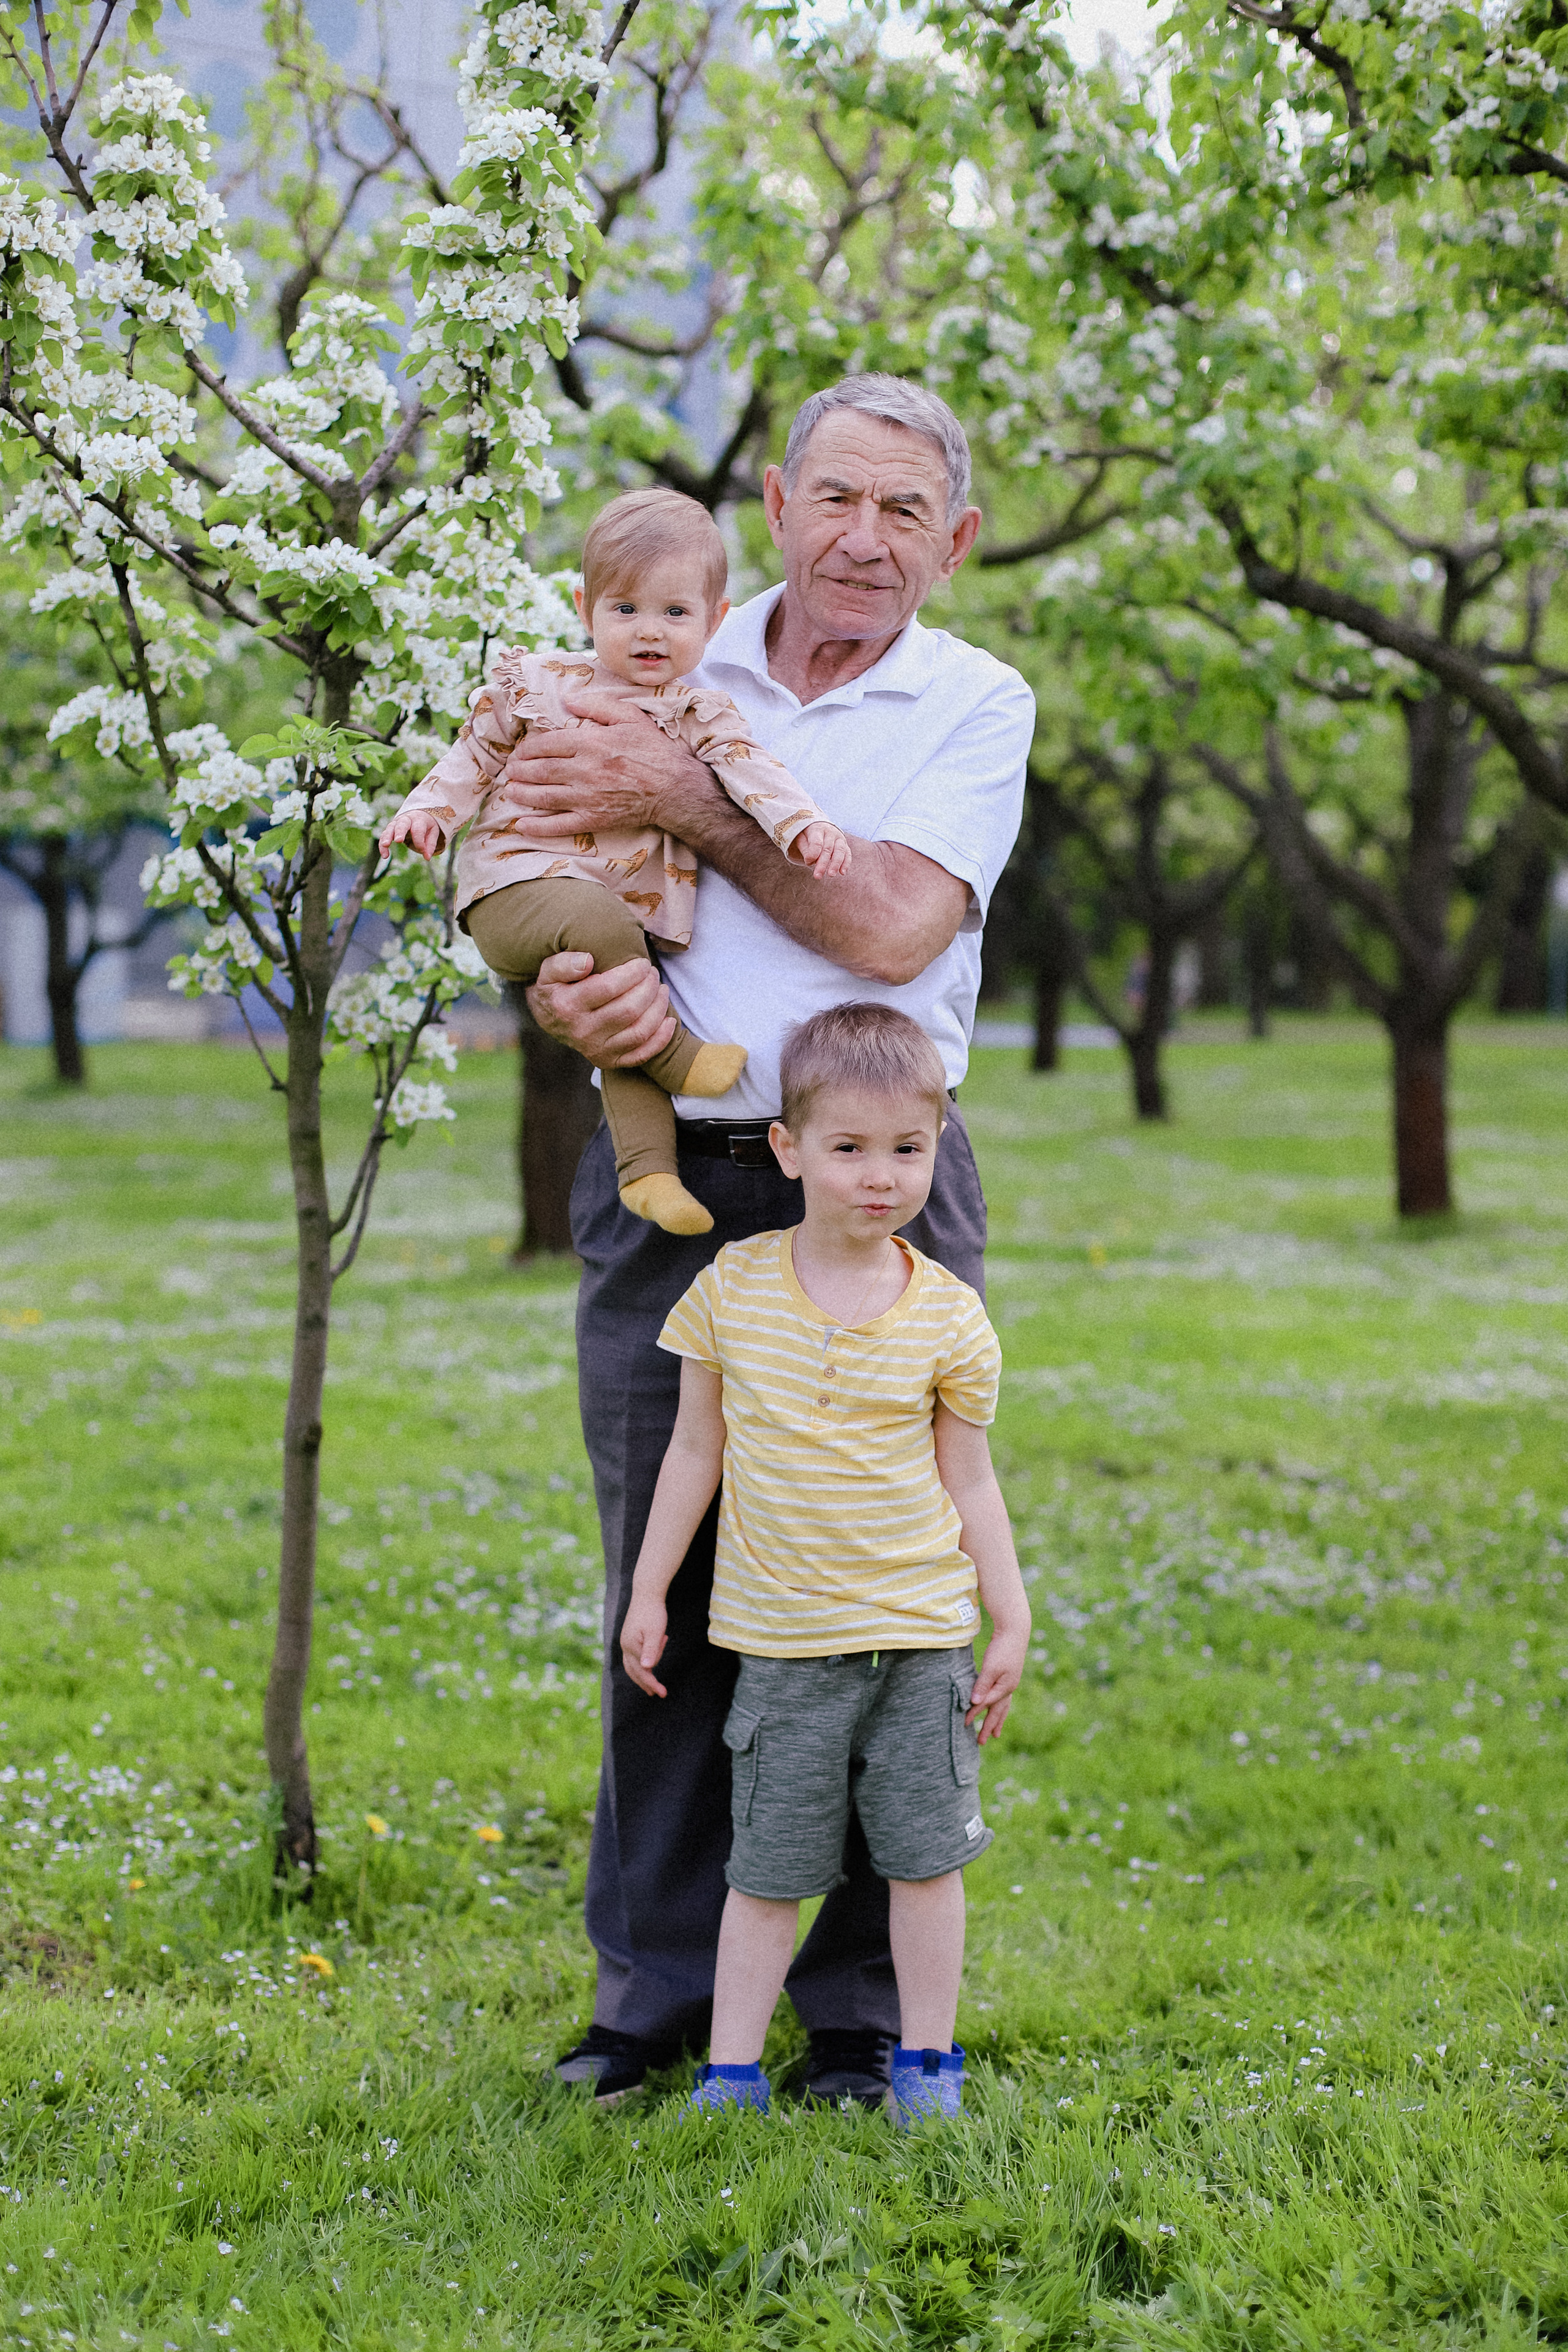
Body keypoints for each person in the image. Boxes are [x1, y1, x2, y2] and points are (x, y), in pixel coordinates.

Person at [510, 375, 1037, 2108]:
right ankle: (653, 2000)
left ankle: (867, 2017)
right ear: (775, 501)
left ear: (951, 544)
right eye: (839, 500)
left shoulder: (974, 701)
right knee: (665, 1590)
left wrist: (697, 799)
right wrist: (559, 974)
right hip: (674, 1164)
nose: (866, 540)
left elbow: (889, 925)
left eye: (906, 513)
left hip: (882, 1177)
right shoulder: (656, 645)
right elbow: (537, 840)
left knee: (880, 1598)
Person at [620, 1005, 1031, 2125]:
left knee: (923, 1864)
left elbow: (973, 1481)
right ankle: (733, 2075)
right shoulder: (732, 1294)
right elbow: (691, 1452)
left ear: (938, 1146)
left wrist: (1010, 1612)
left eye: (907, 1148)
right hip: (785, 1650)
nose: (879, 1177)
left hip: (922, 1642)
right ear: (790, 1150)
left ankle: (926, 2066)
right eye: (848, 1149)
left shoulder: (950, 1318)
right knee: (767, 1871)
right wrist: (651, 1588)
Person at [377, 488, 850, 1235]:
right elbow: (474, 753)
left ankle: (649, 1174)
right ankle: (676, 1055)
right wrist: (428, 811)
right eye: (624, 610)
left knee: (623, 1004)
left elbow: (753, 772)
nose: (648, 632)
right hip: (517, 888)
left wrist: (803, 829)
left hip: (610, 926)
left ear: (715, 619)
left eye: (674, 613)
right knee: (612, 948)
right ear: (584, 607)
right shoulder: (540, 685)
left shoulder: (701, 712)